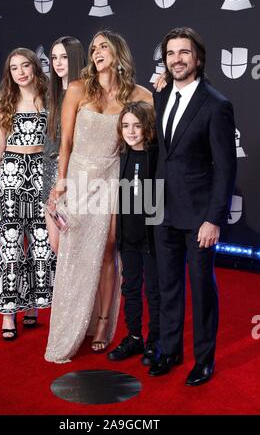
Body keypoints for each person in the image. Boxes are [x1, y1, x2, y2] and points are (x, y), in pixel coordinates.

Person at [45, 30, 153, 363]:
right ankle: (70, 325)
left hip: (111, 178)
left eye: (103, 46)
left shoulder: (141, 95)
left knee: (107, 250)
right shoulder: (77, 89)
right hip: (77, 176)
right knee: (73, 251)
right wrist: (61, 183)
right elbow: (65, 144)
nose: (96, 52)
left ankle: (104, 322)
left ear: (119, 52)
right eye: (93, 48)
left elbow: (149, 135)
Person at [149, 27, 237, 385]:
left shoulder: (217, 104)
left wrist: (214, 219)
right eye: (171, 53)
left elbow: (227, 168)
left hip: (199, 215)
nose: (177, 59)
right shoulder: (161, 93)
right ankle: (170, 350)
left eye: (184, 52)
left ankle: (204, 359)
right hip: (162, 209)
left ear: (198, 58)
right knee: (167, 286)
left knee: (201, 288)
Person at [0, 48, 56, 339]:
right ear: (10, 74)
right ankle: (8, 314)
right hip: (12, 172)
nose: (21, 72)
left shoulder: (49, 97)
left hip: (42, 171)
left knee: (41, 242)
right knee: (11, 243)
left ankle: (34, 306)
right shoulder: (6, 99)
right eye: (14, 68)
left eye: (25, 65)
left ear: (35, 67)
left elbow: (54, 143)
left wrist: (55, 183)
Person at [107, 101, 160, 366]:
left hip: (152, 238)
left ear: (148, 127)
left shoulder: (157, 156)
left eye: (137, 126)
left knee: (153, 290)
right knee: (130, 288)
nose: (131, 131)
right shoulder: (122, 156)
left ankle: (156, 340)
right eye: (126, 125)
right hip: (128, 236)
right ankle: (135, 336)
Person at [42, 36, 86, 253]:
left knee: (75, 246)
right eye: (54, 58)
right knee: (56, 245)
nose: (58, 63)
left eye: (64, 57)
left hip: (73, 175)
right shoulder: (51, 94)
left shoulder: (87, 94)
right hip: (49, 174)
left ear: (76, 59)